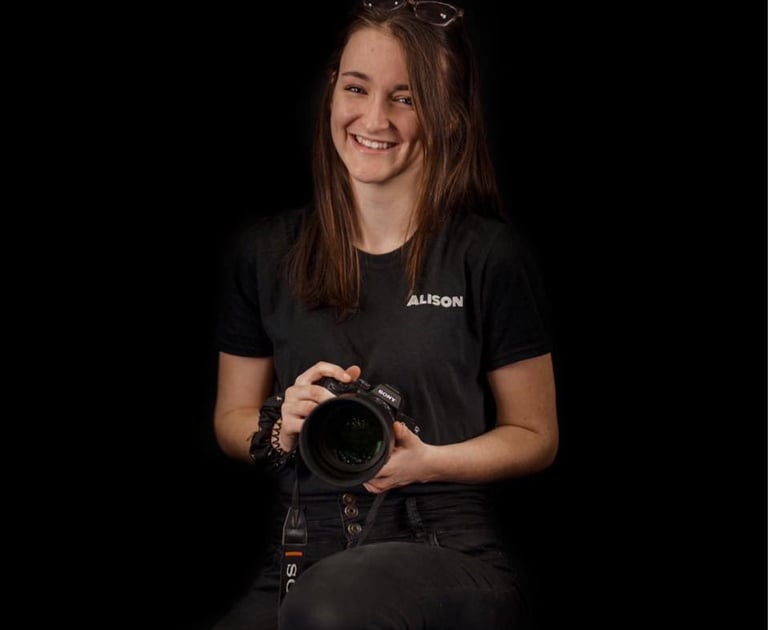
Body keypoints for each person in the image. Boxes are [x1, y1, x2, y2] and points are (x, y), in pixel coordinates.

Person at [212, 1, 558, 628]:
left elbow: (536, 436)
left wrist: (429, 461)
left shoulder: (486, 256)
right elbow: (230, 419)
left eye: (406, 98)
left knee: (333, 609)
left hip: (441, 543)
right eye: (356, 88)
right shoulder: (266, 253)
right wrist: (279, 427)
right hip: (298, 552)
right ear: (331, 91)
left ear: (448, 114)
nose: (374, 119)